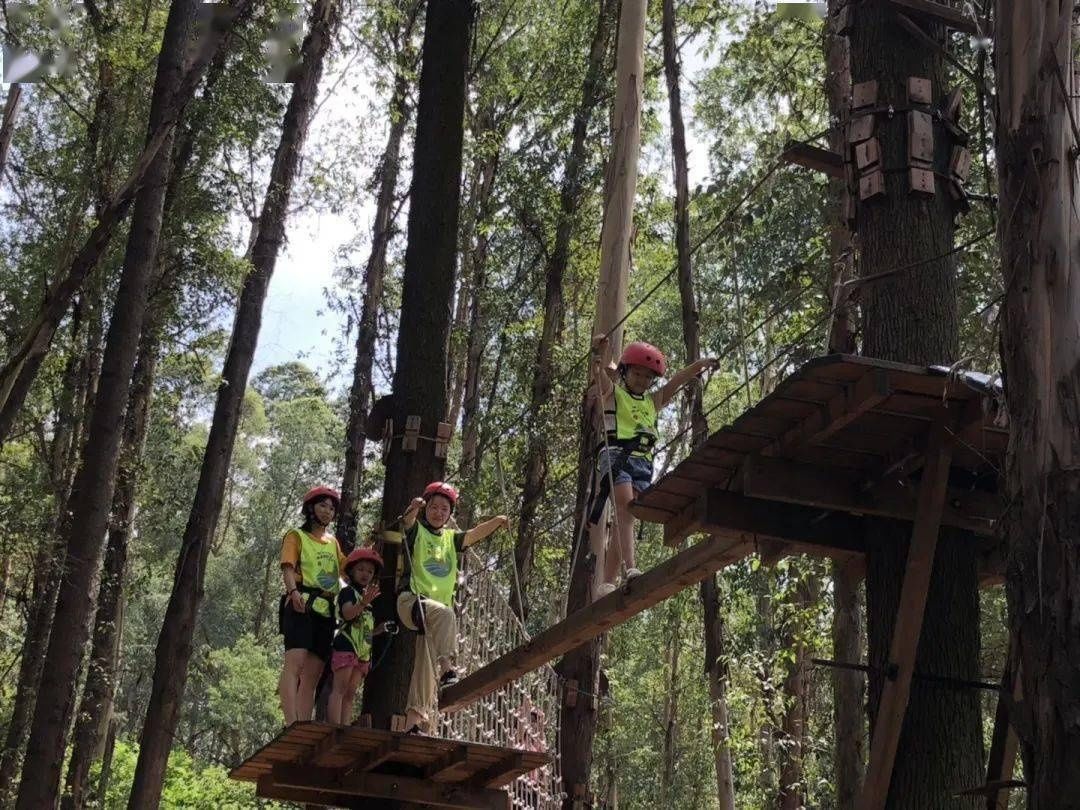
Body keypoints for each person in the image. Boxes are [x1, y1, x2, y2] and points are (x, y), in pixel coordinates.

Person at [588, 336, 718, 598]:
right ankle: (631, 568)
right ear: (624, 372)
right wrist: (598, 357)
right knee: (625, 511)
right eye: (637, 374)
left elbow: (677, 381)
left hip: (643, 463)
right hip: (616, 456)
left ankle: (607, 581)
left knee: (630, 515)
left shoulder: (652, 401)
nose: (642, 381)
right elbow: (600, 376)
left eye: (648, 377)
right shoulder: (615, 393)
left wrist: (699, 365)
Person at [396, 481, 509, 734]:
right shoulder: (418, 533)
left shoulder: (450, 538)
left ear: (450, 514)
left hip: (434, 616)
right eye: (433, 507)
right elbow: (407, 523)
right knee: (445, 614)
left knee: (425, 663)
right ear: (426, 510)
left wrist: (497, 521)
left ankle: (412, 723)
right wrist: (413, 508)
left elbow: (474, 534)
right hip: (412, 602)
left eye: (444, 509)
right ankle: (448, 668)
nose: (438, 512)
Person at [277, 485, 346, 725]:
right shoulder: (296, 535)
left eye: (331, 508)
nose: (327, 512)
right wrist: (293, 591)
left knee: (313, 675)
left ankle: (303, 724)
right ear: (310, 509)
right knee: (294, 663)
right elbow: (288, 566)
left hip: (326, 610)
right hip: (301, 602)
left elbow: (345, 571)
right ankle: (290, 721)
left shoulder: (333, 543)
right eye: (322, 506)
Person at [328, 546, 387, 725]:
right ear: (351, 570)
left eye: (370, 571)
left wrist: (380, 629)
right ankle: (334, 727)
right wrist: (362, 603)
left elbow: (364, 627)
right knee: (340, 688)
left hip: (363, 651)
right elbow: (348, 614)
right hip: (346, 644)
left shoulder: (367, 599)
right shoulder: (348, 592)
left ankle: (345, 727)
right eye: (361, 569)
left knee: (351, 693)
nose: (365, 574)